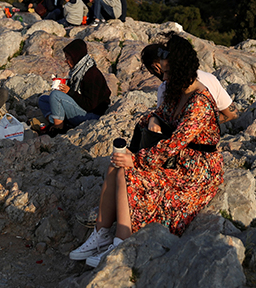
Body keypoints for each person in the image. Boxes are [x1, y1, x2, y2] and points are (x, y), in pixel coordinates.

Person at [69, 33, 223, 268]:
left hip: (196, 172)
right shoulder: (178, 90)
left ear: (180, 69)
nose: (165, 78)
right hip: (177, 159)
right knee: (117, 162)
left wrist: (138, 160)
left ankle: (122, 241)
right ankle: (101, 235)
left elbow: (175, 143)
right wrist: (153, 119)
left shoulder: (200, 102)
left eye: (168, 73)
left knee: (127, 171)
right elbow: (162, 115)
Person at [141, 43, 238, 124]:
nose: (164, 78)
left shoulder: (165, 88)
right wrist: (207, 123)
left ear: (156, 67)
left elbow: (164, 120)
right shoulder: (210, 78)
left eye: (153, 72)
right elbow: (232, 114)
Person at [37, 39, 110, 132]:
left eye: (68, 58)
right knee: (43, 100)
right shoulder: (78, 71)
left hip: (91, 115)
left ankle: (59, 128)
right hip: (82, 107)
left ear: (76, 57)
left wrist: (69, 92)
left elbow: (90, 105)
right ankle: (60, 120)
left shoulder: (91, 74)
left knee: (55, 96)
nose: (66, 61)